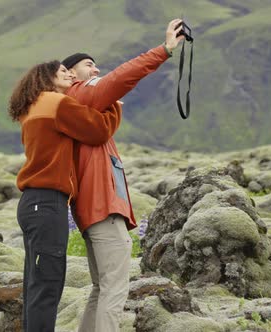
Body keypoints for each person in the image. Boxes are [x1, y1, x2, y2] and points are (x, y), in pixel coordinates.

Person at [61, 19, 185, 332]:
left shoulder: (87, 114)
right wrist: (164, 51)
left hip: (95, 209)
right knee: (114, 288)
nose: (96, 71)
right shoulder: (80, 93)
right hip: (103, 208)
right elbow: (121, 78)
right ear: (69, 74)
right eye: (89, 65)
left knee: (102, 287)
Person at [8, 60, 121, 332]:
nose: (69, 74)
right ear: (47, 78)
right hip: (47, 203)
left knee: (37, 284)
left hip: (34, 203)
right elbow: (98, 131)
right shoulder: (55, 102)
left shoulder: (34, 106)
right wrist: (114, 105)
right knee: (48, 285)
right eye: (63, 72)